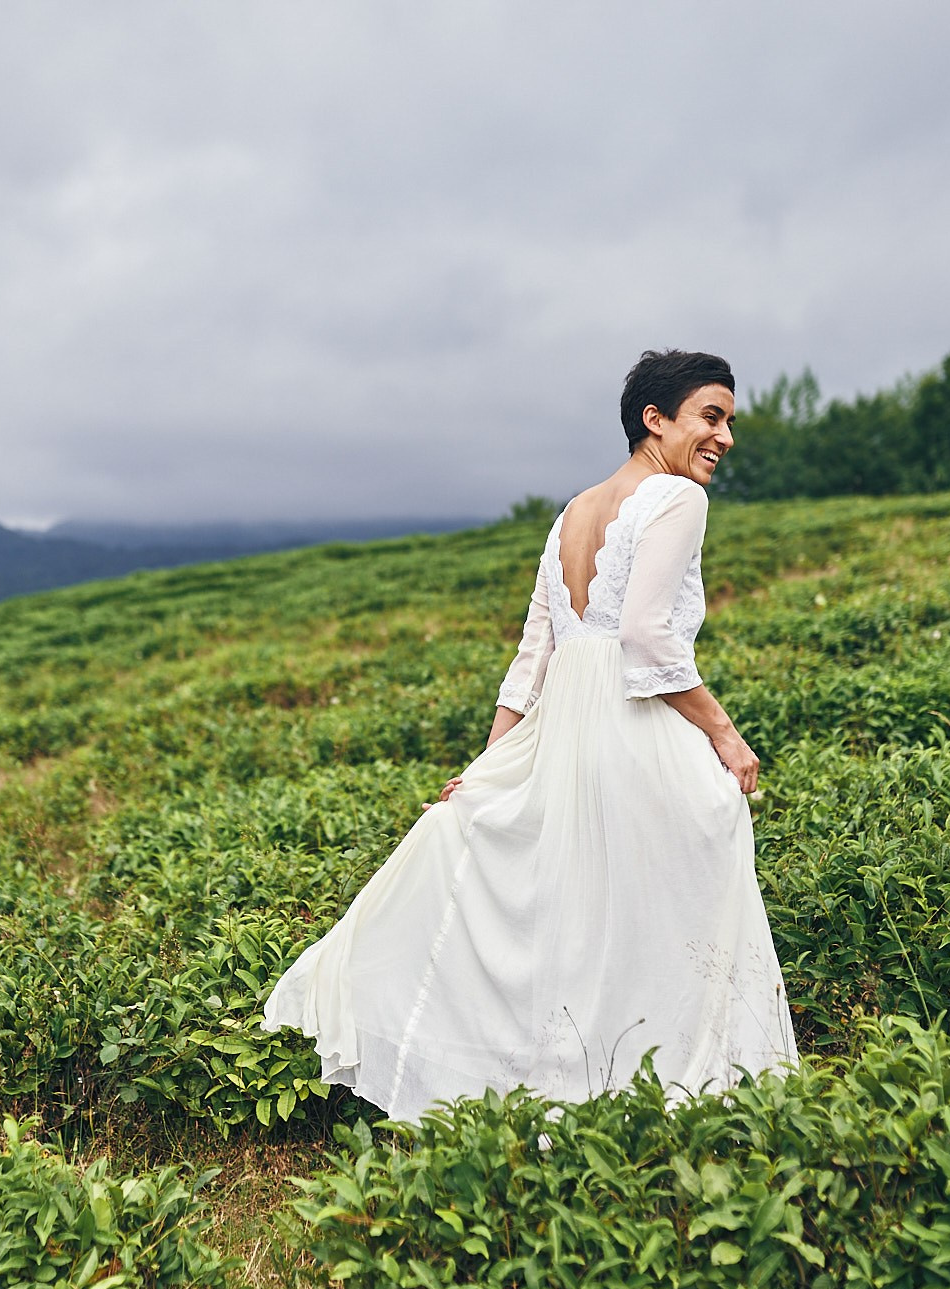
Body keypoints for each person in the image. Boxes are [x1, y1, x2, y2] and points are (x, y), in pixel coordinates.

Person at [260, 349, 799, 1123]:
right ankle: (659, 1088)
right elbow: (647, 637)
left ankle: (571, 1079)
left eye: (729, 422)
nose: (725, 437)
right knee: (668, 892)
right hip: (634, 725)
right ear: (657, 420)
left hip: (565, 738)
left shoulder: (571, 514)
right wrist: (728, 735)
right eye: (711, 417)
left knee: (579, 910)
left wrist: (488, 769)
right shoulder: (678, 500)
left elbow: (531, 663)